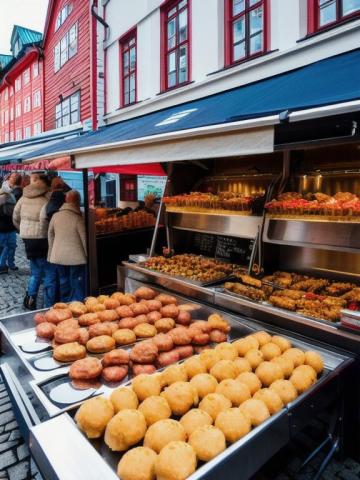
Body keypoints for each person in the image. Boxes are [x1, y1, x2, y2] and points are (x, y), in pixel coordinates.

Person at [13, 174, 54, 310]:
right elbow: (45, 221)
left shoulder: (23, 198)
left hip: (28, 239)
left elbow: (15, 216)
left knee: (35, 271)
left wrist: (23, 231)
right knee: (49, 272)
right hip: (42, 239)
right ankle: (49, 303)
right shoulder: (46, 199)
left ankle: (30, 297)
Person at [48, 190, 87, 302]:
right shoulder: (78, 218)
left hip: (58, 256)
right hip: (76, 258)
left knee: (63, 281)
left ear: (65, 200)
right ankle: (77, 305)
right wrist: (88, 255)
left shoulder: (56, 215)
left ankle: (65, 304)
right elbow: (84, 238)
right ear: (78, 201)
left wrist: (51, 253)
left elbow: (50, 235)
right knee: (76, 282)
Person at [0, 180, 17, 273]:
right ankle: (3, 265)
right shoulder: (9, 197)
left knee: (10, 247)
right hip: (6, 227)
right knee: (7, 247)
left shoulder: (12, 197)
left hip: (8, 227)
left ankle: (9, 264)